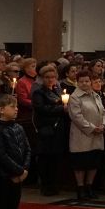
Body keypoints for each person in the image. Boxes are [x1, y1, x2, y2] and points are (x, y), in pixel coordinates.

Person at [67, 71, 105, 200]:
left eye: (87, 81)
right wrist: (92, 128)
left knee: (93, 163)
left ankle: (89, 186)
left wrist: (104, 125)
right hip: (82, 135)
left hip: (97, 134)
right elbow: (76, 117)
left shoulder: (96, 95)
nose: (84, 83)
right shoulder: (75, 97)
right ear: (77, 82)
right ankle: (80, 188)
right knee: (81, 163)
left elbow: (104, 112)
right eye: (81, 81)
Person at [31, 64, 67, 196]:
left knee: (56, 158)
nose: (50, 79)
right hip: (46, 129)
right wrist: (61, 109)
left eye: (52, 77)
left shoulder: (57, 91)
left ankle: (54, 184)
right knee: (45, 158)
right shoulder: (38, 92)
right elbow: (41, 109)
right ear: (42, 78)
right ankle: (46, 185)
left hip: (58, 129)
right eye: (47, 77)